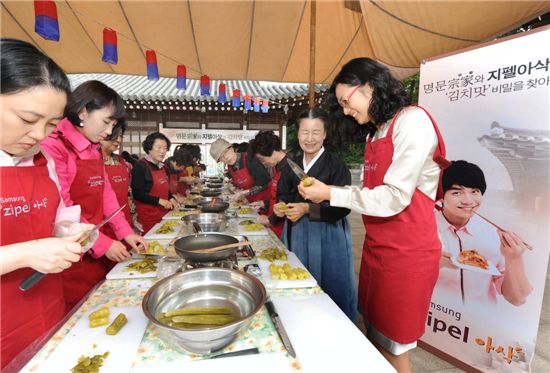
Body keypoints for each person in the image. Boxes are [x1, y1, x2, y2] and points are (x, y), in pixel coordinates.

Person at [297, 57, 448, 372]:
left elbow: (394, 198)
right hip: (377, 249)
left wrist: (329, 193)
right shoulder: (374, 134)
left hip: (408, 254)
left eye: (347, 102)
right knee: (372, 333)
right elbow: (370, 196)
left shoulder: (412, 121)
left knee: (395, 348)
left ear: (369, 85)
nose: (347, 111)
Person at [0, 38, 88, 368]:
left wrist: (69, 230)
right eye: (27, 119)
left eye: (51, 125)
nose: (38, 135)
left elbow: (55, 214)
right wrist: (25, 253)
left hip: (45, 306)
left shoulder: (42, 160)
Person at [41, 80, 147, 311]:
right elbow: (61, 209)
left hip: (94, 246)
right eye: (106, 122)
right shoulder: (54, 146)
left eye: (113, 125)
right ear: (83, 112)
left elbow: (106, 193)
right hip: (70, 253)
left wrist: (125, 233)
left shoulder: (93, 147)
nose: (109, 132)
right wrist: (101, 242)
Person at [276, 109, 357, 321]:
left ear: (325, 135)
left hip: (328, 233)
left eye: (315, 132)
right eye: (305, 132)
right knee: (298, 279)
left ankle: (336, 326)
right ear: (298, 133)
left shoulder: (337, 166)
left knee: (331, 283)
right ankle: (300, 322)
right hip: (296, 231)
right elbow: (282, 193)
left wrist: (306, 209)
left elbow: (343, 207)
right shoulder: (291, 165)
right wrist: (281, 206)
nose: (309, 138)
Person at [436, 160, 532, 306]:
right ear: (441, 196)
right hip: (436, 319)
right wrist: (432, 263)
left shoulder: (493, 234)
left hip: (479, 323)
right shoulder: (423, 227)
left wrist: (514, 258)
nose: (468, 201)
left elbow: (516, 299)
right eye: (457, 192)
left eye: (475, 191)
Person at [131, 132, 179, 233]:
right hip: (148, 219)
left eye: (165, 148)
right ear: (149, 148)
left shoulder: (163, 167)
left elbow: (165, 190)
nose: (162, 151)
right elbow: (137, 194)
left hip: (164, 216)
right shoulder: (140, 166)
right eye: (159, 147)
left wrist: (171, 198)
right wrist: (158, 200)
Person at [99, 120, 135, 238]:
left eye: (120, 136)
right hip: (103, 225)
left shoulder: (120, 161)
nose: (119, 140)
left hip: (124, 220)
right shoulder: (92, 160)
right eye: (115, 135)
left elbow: (128, 192)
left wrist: (134, 218)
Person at [250, 131, 288, 237]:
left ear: (271, 151)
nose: (264, 163)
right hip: (275, 221)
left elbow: (289, 200)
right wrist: (264, 203)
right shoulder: (277, 166)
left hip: (284, 226)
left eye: (263, 159)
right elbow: (279, 194)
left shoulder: (289, 168)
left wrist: (269, 219)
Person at [209, 138, 271, 203]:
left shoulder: (250, 159)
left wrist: (244, 193)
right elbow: (240, 185)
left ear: (232, 148)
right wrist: (238, 191)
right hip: (251, 203)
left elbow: (265, 183)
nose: (226, 157)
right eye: (221, 157)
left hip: (265, 202)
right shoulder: (230, 167)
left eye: (226, 152)